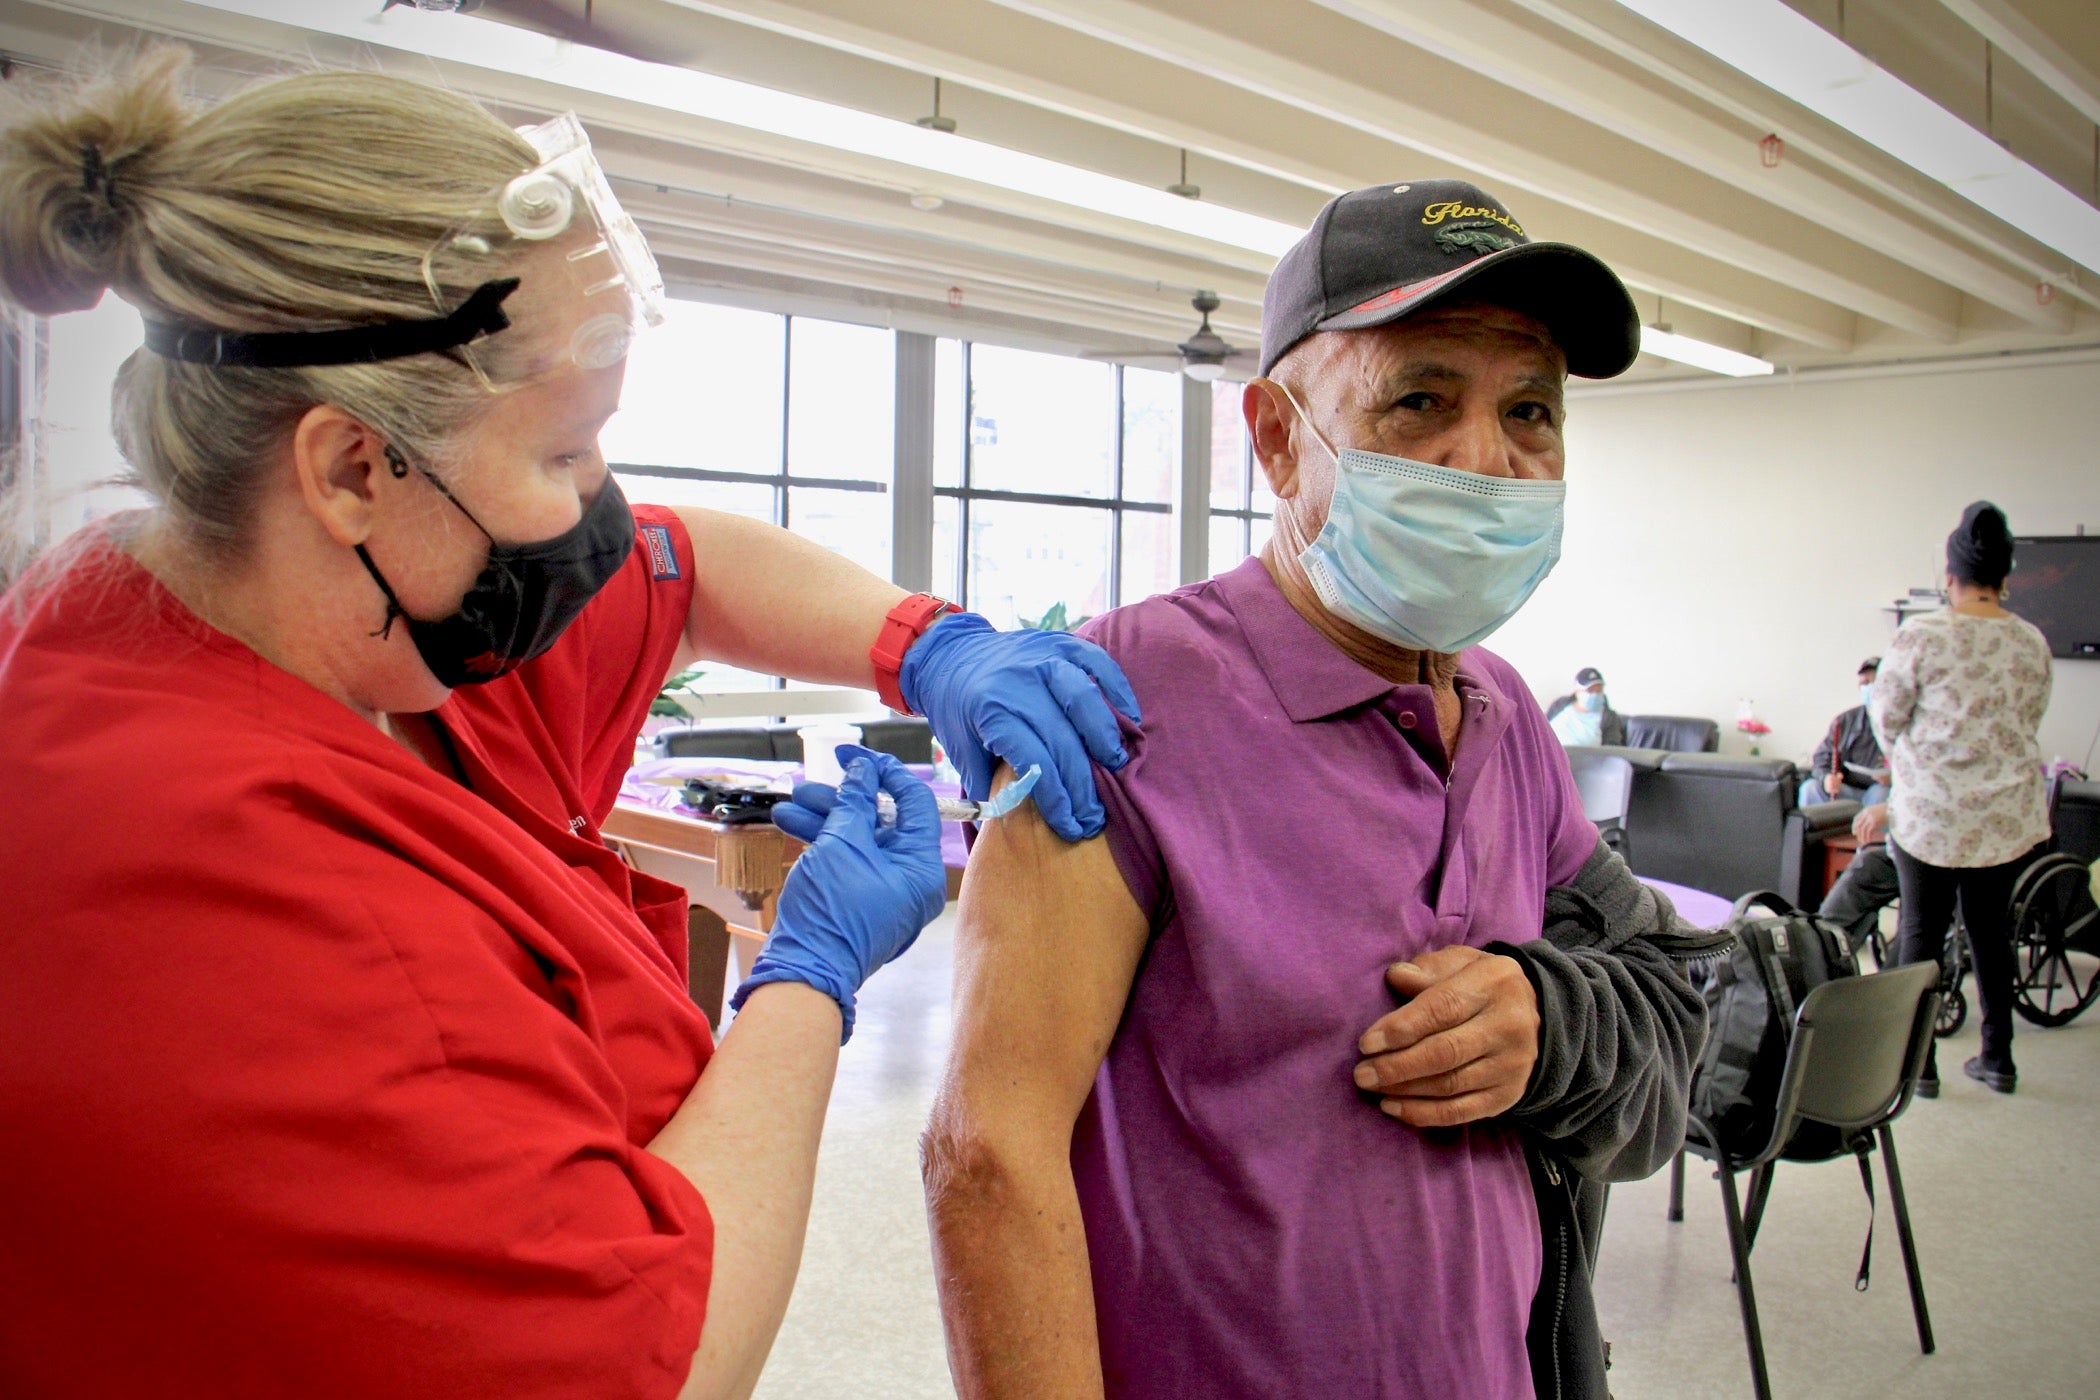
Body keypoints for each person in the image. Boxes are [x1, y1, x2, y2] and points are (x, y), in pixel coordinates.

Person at [0, 55, 1139, 1398]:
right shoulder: (201, 881)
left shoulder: (369, 627)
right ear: (352, 466)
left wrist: (925, 645)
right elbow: (654, 1360)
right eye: (559, 457)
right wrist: (804, 975)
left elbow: (684, 567)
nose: (597, 503)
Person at [923, 179, 1714, 1400]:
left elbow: (1668, 999)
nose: (1487, 462)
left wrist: (1550, 1026)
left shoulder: (1505, 718)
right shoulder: (1117, 703)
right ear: (1281, 435)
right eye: (1420, 399)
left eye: (1530, 411)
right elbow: (988, 1154)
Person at [1873, 501, 2052, 1096]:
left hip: (1930, 816)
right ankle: (1998, 1058)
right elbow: (2028, 719)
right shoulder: (2031, 642)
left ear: (1949, 576)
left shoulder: (1920, 634)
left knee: (1920, 932)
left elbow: (1888, 719)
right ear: (2005, 578)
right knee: (1991, 934)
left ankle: (1916, 1066)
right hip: (2005, 819)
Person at [1801, 656, 1889, 807]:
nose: (1869, 688)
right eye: (1864, 684)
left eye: (1875, 683)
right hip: (1848, 790)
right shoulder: (1845, 721)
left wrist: (1894, 779)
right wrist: (1827, 778)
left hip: (1882, 791)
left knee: (1880, 794)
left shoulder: (1902, 720)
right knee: (1810, 788)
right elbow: (1822, 759)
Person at [1545, 665, 1626, 746]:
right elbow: (1541, 728)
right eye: (1590, 690)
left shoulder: (1609, 718)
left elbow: (1611, 749)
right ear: (1578, 691)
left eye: (1598, 690)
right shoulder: (1560, 705)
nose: (1595, 695)